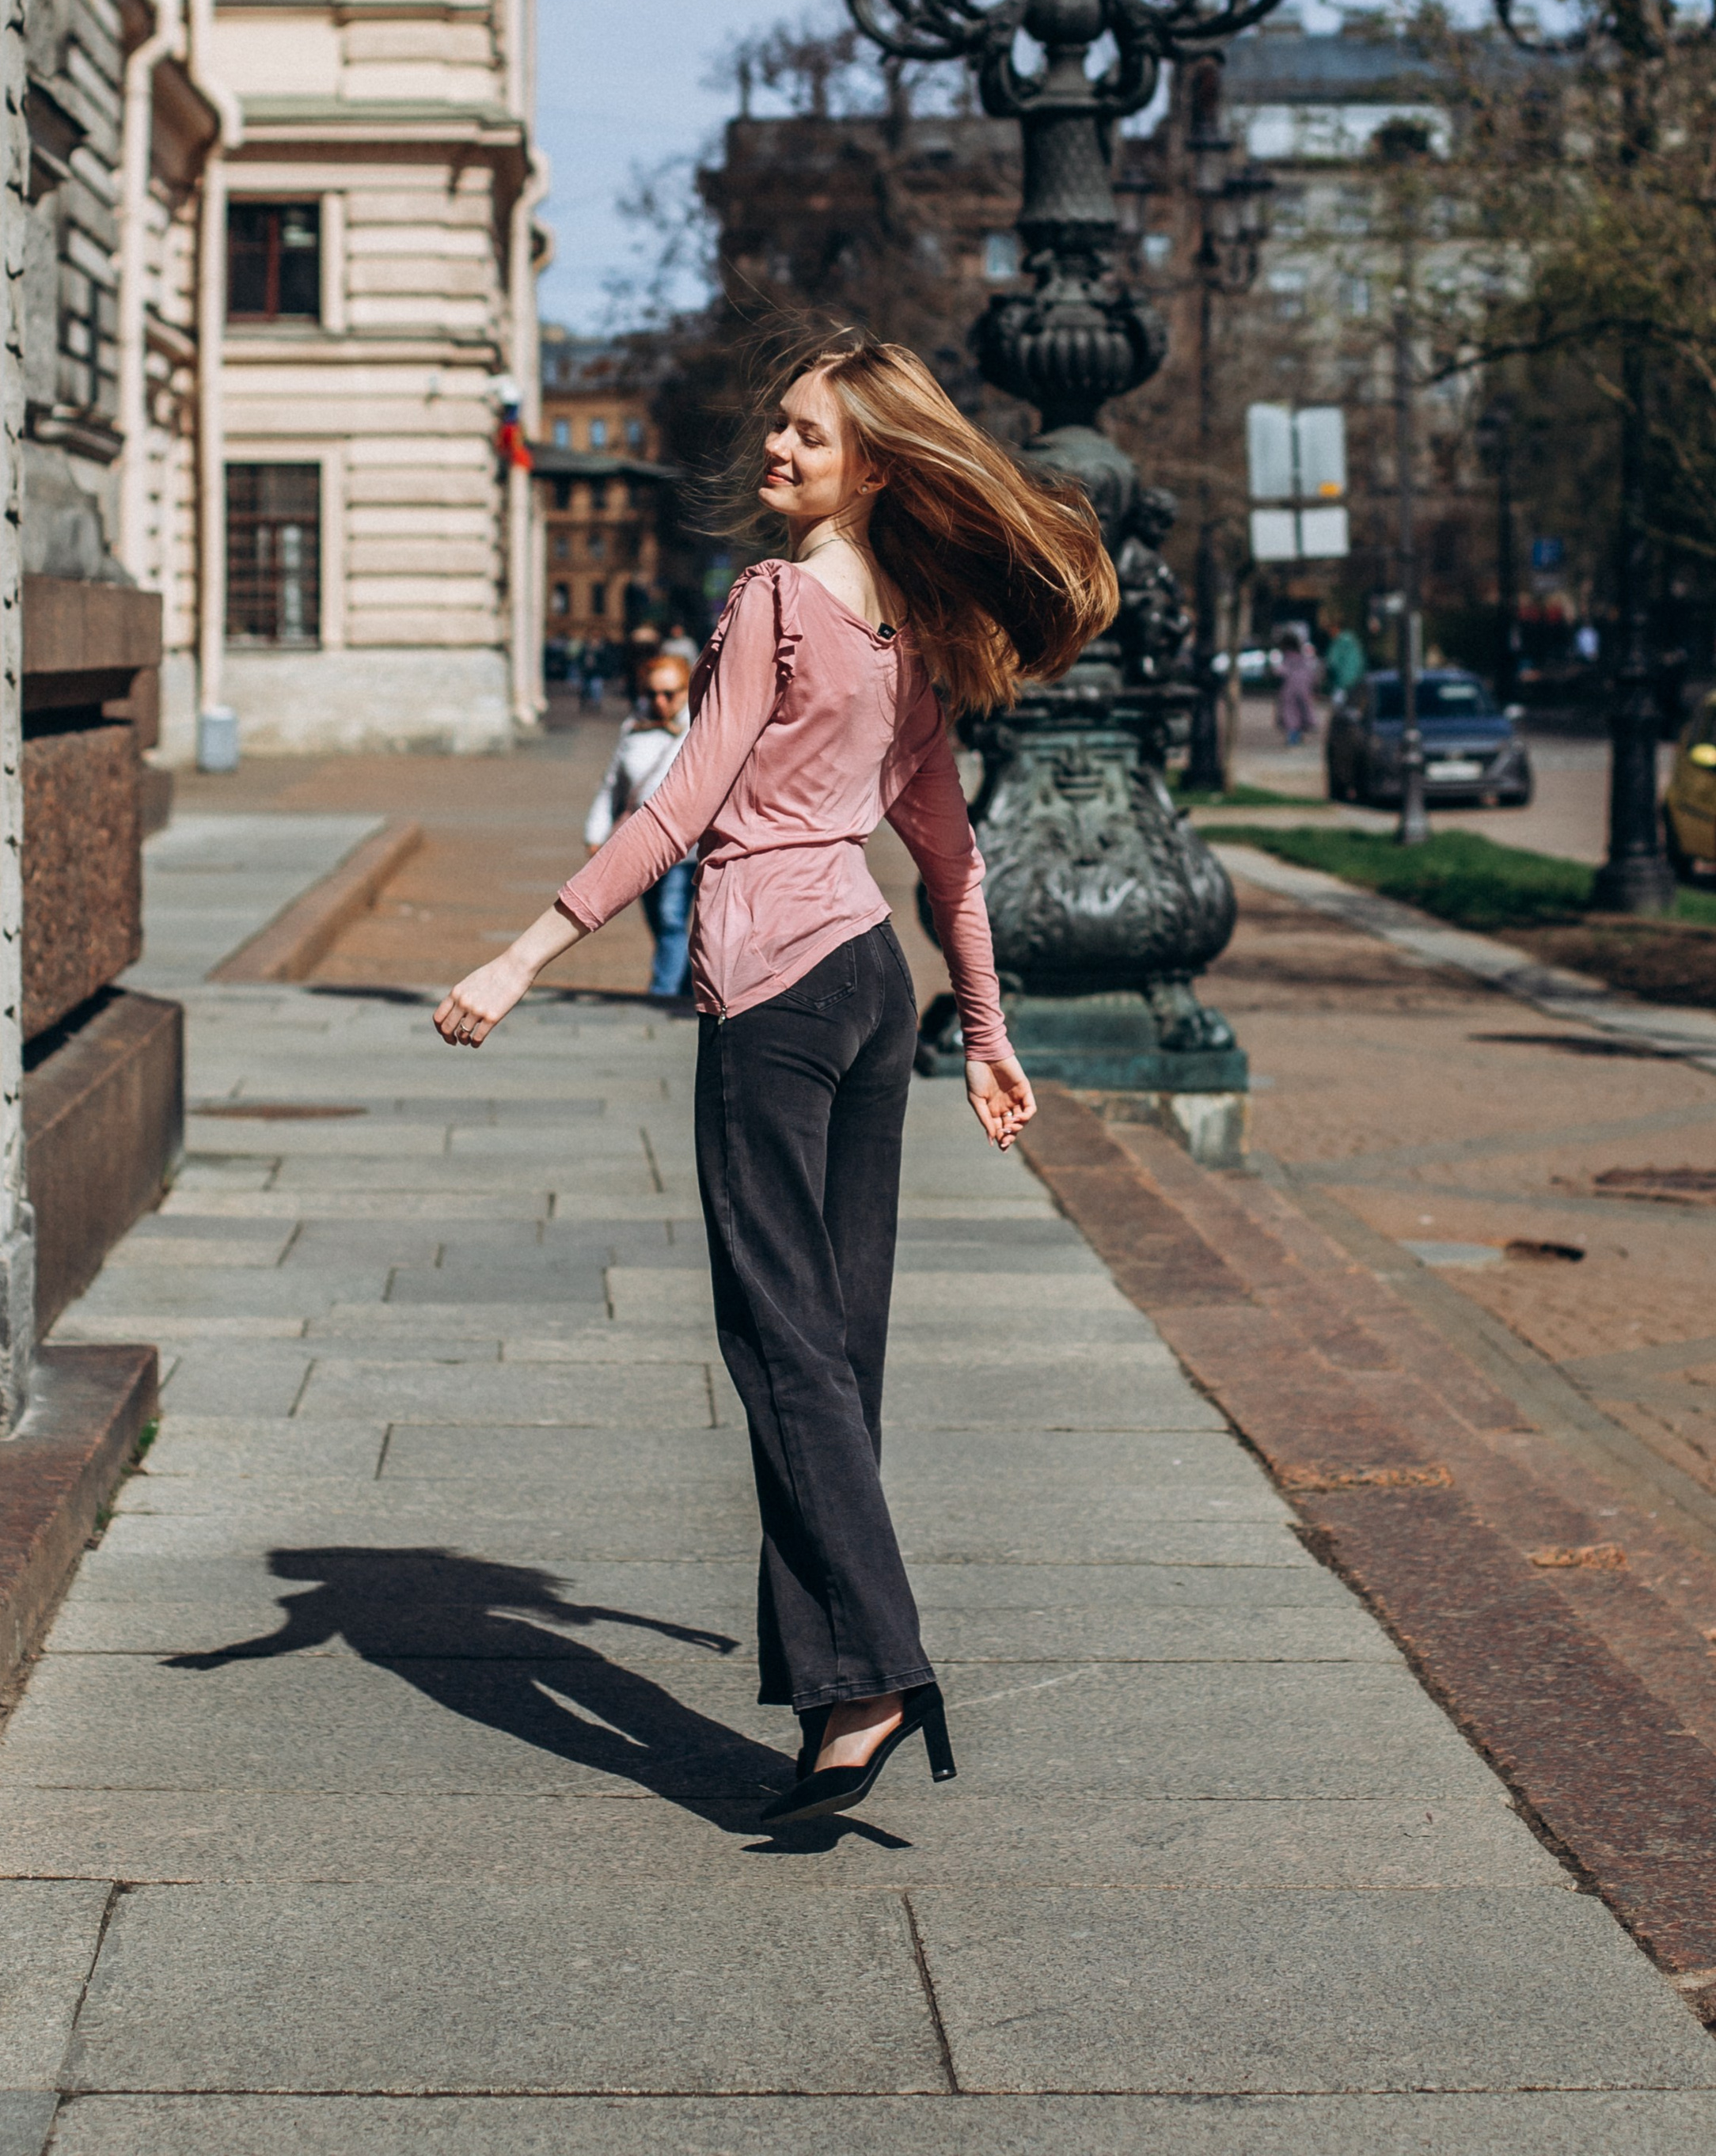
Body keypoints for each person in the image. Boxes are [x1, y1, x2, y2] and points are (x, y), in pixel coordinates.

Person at [434, 336, 1114, 1825]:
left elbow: (680, 806)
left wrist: (520, 957)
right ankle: (834, 1698)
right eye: (782, 427)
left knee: (782, 1341)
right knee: (837, 1352)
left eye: (807, 434)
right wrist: (983, 1028)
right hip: (867, 983)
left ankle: (877, 1671)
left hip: (773, 993)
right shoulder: (911, 628)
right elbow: (945, 855)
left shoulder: (777, 602)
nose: (777, 450)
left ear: (871, 465)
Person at [584, 654, 697, 1004]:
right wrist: (595, 832)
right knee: (657, 920)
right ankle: (686, 984)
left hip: (684, 847)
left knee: (671, 917)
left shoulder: (702, 727)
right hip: (640, 845)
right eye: (652, 694)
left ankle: (662, 994)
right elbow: (613, 784)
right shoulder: (634, 727)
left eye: (670, 694)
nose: (660, 702)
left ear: (687, 690)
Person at [1276, 623, 1322, 745]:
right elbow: (1313, 674)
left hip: (1289, 690)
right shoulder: (1304, 658)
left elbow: (1280, 672)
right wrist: (1315, 687)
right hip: (1304, 688)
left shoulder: (1287, 658)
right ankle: (1299, 735)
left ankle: (1293, 738)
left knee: (1290, 713)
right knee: (1302, 711)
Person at [1323, 619, 1365, 702]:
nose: (1329, 633)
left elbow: (1332, 662)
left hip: (1342, 681)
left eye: (1330, 630)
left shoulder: (1338, 642)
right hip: (1356, 679)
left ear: (1336, 628)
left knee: (1337, 703)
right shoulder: (1353, 639)